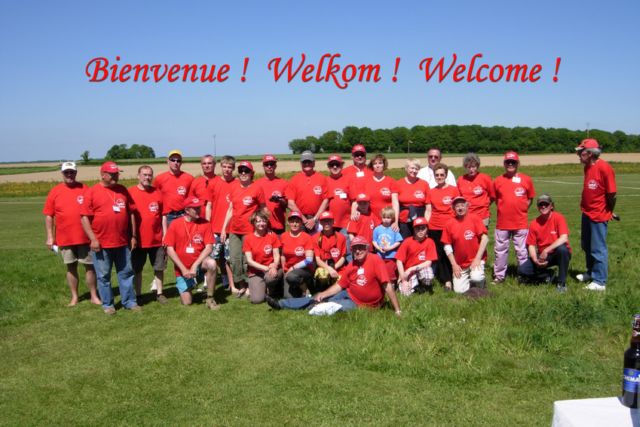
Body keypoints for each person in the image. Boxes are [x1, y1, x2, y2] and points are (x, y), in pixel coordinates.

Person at [265, 236, 401, 317]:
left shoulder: (375, 260)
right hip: (349, 293)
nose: (358, 251)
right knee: (317, 297)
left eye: (361, 247)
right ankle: (281, 304)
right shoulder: (352, 264)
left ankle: (311, 308)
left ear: (367, 248)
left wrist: (397, 310)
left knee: (329, 306)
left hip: (362, 304)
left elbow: (387, 285)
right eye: (355, 248)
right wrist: (323, 294)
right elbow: (340, 285)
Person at [80, 161, 140, 314]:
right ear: (103, 175)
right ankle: (108, 304)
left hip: (122, 242)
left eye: (117, 174)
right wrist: (93, 239)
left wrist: (133, 235)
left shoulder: (122, 190)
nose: (116, 177)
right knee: (103, 276)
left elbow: (131, 213)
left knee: (126, 273)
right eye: (112, 174)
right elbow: (84, 217)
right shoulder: (92, 192)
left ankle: (129, 302)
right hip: (101, 243)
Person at [43, 161, 100, 307]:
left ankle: (94, 296)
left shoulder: (85, 189)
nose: (69, 175)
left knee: (90, 267)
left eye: (72, 172)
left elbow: (94, 211)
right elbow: (49, 215)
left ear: (76, 173)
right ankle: (74, 297)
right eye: (66, 172)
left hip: (85, 237)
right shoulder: (55, 191)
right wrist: (50, 237)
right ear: (62, 173)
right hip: (65, 238)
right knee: (71, 267)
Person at [575, 138, 617, 291]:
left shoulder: (605, 168)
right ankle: (591, 272)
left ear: (590, 153)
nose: (578, 155)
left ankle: (600, 281)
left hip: (598, 214)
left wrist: (609, 211)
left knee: (598, 248)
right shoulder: (587, 167)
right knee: (586, 245)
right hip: (586, 212)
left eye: (581, 152)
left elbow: (612, 194)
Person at [221, 160, 266, 295]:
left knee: (247, 259)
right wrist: (224, 228)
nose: (243, 173)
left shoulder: (257, 188)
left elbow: (263, 209)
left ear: (252, 173)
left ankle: (249, 284)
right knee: (235, 259)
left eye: (246, 171)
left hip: (249, 230)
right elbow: (231, 209)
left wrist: (264, 226)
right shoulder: (234, 187)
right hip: (234, 230)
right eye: (241, 171)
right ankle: (241, 284)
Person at [164, 197, 219, 308]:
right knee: (187, 302)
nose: (199, 210)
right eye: (195, 208)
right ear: (187, 210)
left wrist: (195, 265)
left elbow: (209, 247)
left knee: (212, 263)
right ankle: (190, 284)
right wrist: (183, 269)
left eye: (199, 207)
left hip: (200, 264)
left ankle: (210, 298)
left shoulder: (205, 223)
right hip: (183, 268)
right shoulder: (175, 224)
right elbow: (169, 249)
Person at [492, 151, 535, 283]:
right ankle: (499, 276)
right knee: (500, 251)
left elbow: (530, 198)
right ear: (504, 164)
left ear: (518, 163)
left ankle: (524, 275)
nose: (510, 164)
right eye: (508, 162)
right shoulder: (498, 180)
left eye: (513, 162)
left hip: (520, 223)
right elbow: (495, 199)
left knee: (522, 251)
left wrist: (521, 209)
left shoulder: (526, 179)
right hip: (502, 223)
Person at [128, 165, 168, 304]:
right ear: (138, 176)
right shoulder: (130, 192)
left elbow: (163, 215)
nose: (147, 177)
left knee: (159, 268)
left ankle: (160, 293)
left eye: (150, 175)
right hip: (138, 239)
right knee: (137, 269)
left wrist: (165, 235)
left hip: (156, 239)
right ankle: (138, 294)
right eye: (144, 175)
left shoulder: (158, 192)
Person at [517, 194, 571, 293]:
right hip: (542, 256)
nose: (543, 206)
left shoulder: (559, 218)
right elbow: (531, 245)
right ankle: (547, 275)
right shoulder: (534, 223)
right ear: (538, 207)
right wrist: (535, 260)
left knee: (562, 249)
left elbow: (564, 238)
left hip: (557, 253)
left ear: (552, 206)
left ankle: (561, 283)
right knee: (522, 271)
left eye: (546, 204)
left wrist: (546, 250)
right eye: (540, 205)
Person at [442, 196, 489, 293]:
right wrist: (454, 265)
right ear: (453, 208)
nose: (460, 208)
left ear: (467, 206)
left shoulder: (475, 218)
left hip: (476, 259)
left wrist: (477, 259)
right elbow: (447, 246)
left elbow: (485, 239)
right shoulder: (449, 223)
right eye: (457, 206)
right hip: (461, 263)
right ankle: (470, 281)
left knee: (477, 277)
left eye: (462, 205)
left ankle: (480, 283)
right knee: (459, 291)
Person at [426, 163, 459, 290]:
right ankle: (447, 281)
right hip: (435, 227)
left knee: (452, 252)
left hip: (451, 226)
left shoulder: (454, 190)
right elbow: (429, 210)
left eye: (441, 175)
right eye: (437, 175)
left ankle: (456, 275)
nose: (439, 177)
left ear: (446, 175)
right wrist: (426, 226)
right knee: (440, 254)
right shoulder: (431, 192)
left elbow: (458, 208)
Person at [207, 155, 236, 290]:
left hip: (232, 228)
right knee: (216, 257)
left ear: (233, 168)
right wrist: (207, 225)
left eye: (229, 167)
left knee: (230, 257)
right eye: (224, 166)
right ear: (221, 167)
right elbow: (209, 205)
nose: (227, 169)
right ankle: (219, 280)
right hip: (215, 227)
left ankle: (233, 282)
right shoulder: (213, 183)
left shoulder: (237, 183)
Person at [242, 210, 283, 303]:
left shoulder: (272, 235)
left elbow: (277, 255)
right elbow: (249, 261)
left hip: (272, 268)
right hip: (256, 272)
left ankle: (271, 290)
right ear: (253, 223)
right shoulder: (248, 238)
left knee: (270, 278)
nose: (261, 223)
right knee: (257, 300)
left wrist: (274, 265)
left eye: (264, 221)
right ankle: (259, 287)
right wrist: (265, 268)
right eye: (258, 221)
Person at [286, 150, 329, 234]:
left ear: (314, 163)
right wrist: (304, 220)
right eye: (304, 162)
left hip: (318, 219)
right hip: (299, 220)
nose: (307, 164)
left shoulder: (322, 178)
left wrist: (315, 219)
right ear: (301, 163)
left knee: (319, 242)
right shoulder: (294, 180)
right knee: (301, 242)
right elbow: (290, 203)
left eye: (309, 161)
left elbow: (326, 200)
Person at [395, 217, 438, 296]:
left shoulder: (430, 242)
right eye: (417, 228)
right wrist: (403, 278)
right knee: (405, 294)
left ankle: (423, 286)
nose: (420, 231)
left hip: (420, 269)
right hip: (407, 272)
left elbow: (429, 262)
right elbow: (399, 260)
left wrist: (411, 269)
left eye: (423, 228)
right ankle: (415, 286)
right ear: (414, 229)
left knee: (428, 274)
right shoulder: (407, 241)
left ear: (427, 229)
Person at [153, 149, 194, 230]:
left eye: (178, 160)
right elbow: (154, 198)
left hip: (183, 215)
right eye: (173, 160)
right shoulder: (159, 179)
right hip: (167, 217)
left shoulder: (189, 178)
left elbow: (191, 199)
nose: (175, 163)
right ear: (168, 161)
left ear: (181, 163)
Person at [280, 211, 315, 297]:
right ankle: (297, 287)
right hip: (288, 270)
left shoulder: (307, 237)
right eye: (292, 221)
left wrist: (293, 268)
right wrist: (284, 269)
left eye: (297, 221)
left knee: (291, 276)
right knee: (288, 297)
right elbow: (283, 255)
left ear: (301, 223)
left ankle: (305, 288)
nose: (295, 224)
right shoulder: (283, 236)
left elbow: (309, 260)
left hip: (304, 269)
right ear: (288, 223)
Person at [396, 158, 431, 238]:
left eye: (416, 168)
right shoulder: (398, 183)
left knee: (419, 241)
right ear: (406, 168)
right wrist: (395, 221)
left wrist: (426, 224)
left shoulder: (424, 184)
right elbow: (395, 204)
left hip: (420, 219)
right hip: (404, 220)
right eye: (412, 168)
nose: (414, 171)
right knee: (405, 241)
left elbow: (428, 208)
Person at [456, 152, 494, 227]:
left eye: (473, 167)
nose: (471, 169)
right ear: (465, 167)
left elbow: (492, 195)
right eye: (469, 167)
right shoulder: (461, 180)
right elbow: (458, 198)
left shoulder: (485, 178)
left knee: (482, 234)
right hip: (466, 215)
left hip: (482, 216)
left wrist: (485, 204)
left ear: (477, 166)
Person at [361, 153, 399, 227]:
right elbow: (361, 201)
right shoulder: (366, 181)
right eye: (375, 164)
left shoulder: (391, 181)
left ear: (384, 165)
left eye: (380, 163)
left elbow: (395, 203)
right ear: (372, 166)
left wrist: (395, 221)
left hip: (387, 220)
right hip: (370, 219)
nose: (377, 166)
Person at [313, 211, 347, 292]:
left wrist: (334, 268)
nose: (326, 223)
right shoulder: (315, 238)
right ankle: (322, 290)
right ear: (320, 223)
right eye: (324, 221)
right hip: (323, 267)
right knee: (322, 274)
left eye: (329, 221)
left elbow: (343, 257)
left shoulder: (341, 237)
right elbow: (317, 259)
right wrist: (329, 269)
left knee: (343, 279)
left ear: (333, 222)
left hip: (338, 267)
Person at [255, 154, 288, 235]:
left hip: (278, 225)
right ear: (263, 166)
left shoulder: (283, 183)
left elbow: (287, 205)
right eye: (266, 164)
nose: (269, 166)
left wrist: (280, 200)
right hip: (261, 225)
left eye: (271, 164)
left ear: (275, 166)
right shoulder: (256, 184)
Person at [372, 206, 404, 283]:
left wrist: (390, 248)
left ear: (392, 218)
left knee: (390, 272)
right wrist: (378, 248)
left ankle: (391, 285)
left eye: (388, 218)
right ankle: (382, 284)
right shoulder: (377, 229)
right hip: (380, 255)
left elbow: (398, 241)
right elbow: (374, 241)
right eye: (384, 217)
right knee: (380, 271)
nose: (386, 219)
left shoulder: (393, 229)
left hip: (391, 256)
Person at [325, 154, 352, 232]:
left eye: (337, 164)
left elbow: (354, 200)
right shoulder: (325, 181)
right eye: (332, 165)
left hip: (345, 222)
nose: (335, 167)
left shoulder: (349, 180)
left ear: (342, 165)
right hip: (328, 223)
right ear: (328, 166)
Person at [188, 154, 218, 219]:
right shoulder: (196, 182)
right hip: (200, 219)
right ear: (201, 165)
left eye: (209, 163)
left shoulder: (220, 181)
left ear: (214, 164)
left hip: (217, 218)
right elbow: (191, 202)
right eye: (204, 164)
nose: (207, 166)